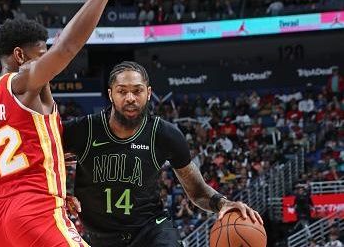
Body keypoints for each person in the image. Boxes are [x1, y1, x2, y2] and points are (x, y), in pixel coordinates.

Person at [0, 0, 129, 246]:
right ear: (20, 56)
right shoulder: (23, 82)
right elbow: (67, 47)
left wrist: (23, 193)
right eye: (42, 54)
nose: (47, 64)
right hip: (34, 212)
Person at [63, 61, 263, 247]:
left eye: (137, 91)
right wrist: (59, 193)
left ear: (148, 93)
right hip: (99, 237)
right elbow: (36, 156)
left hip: (151, 231)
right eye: (122, 91)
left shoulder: (165, 134)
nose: (130, 98)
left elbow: (198, 192)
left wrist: (224, 203)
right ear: (110, 94)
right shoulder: (84, 130)